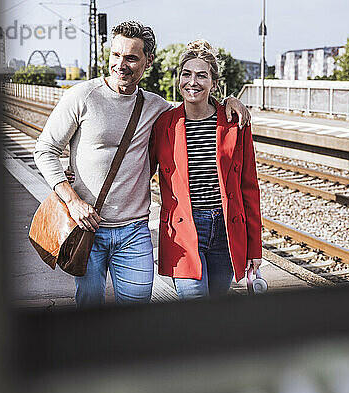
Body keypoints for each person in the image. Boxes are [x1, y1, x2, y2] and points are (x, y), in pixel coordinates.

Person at [34, 21, 250, 307]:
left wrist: (229, 101)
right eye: (115, 55)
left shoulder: (156, 108)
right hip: (87, 227)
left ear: (148, 61)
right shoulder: (81, 97)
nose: (120, 64)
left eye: (131, 57)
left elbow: (195, 103)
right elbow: (45, 150)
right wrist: (72, 200)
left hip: (134, 232)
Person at [150, 40, 262, 300]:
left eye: (202, 75)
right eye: (186, 74)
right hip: (184, 230)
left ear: (214, 82)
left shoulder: (235, 123)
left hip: (225, 230)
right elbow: (138, 169)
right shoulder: (164, 124)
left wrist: (254, 248)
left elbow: (249, 188)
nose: (193, 82)